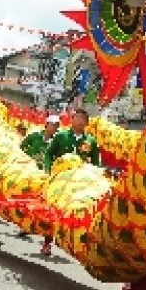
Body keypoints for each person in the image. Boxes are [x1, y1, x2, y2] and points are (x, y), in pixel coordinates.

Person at [42, 109, 99, 255]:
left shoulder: (91, 141)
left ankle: (72, 241)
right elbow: (49, 153)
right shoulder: (61, 136)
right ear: (71, 120)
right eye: (76, 117)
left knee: (76, 210)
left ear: (86, 123)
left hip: (80, 183)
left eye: (82, 118)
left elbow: (95, 164)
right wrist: (47, 171)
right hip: (60, 180)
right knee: (54, 209)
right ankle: (47, 242)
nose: (79, 120)